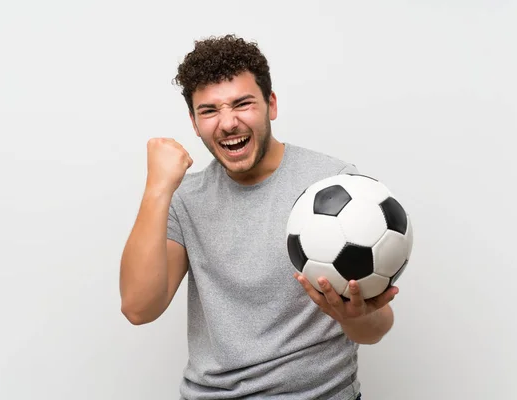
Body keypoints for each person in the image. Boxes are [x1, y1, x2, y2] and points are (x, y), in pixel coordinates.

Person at [119, 34, 399, 400]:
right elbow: (139, 308)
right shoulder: (183, 198)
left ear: (271, 104)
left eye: (242, 104)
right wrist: (157, 188)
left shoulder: (334, 186)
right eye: (209, 110)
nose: (228, 123)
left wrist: (354, 316)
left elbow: (373, 329)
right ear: (193, 120)